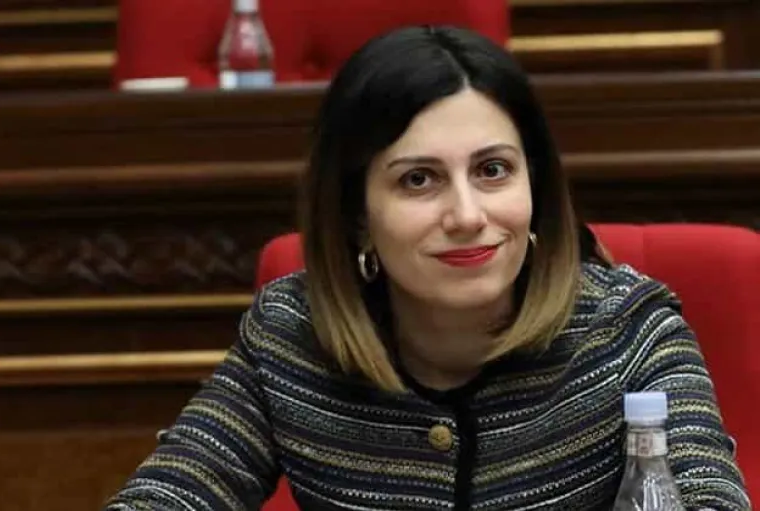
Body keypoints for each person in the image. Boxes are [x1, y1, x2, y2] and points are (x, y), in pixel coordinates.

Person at [104, 26, 750, 511]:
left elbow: (709, 498)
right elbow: (169, 495)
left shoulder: (631, 330)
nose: (467, 215)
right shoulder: (292, 336)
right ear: (357, 213)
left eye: (493, 170)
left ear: (535, 188)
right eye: (419, 179)